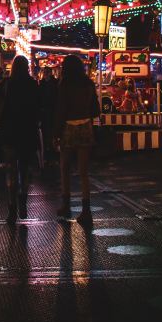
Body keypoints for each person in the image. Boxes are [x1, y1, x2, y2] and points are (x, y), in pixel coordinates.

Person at [53, 54, 99, 224]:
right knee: (83, 171)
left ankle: (66, 204)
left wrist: (56, 133)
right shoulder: (88, 84)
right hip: (85, 126)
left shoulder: (64, 84)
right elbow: (95, 109)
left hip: (69, 127)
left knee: (64, 167)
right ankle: (86, 210)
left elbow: (61, 110)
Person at [0, 56, 41, 224]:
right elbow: (38, 106)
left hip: (10, 131)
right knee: (25, 169)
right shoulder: (32, 84)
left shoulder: (7, 84)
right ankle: (23, 197)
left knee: (11, 171)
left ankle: (12, 208)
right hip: (27, 131)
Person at [38, 68, 58, 165]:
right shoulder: (42, 84)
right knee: (46, 132)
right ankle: (47, 152)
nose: (46, 74)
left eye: (47, 72)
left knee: (51, 132)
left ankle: (51, 152)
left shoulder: (54, 83)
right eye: (45, 72)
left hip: (52, 110)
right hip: (45, 111)